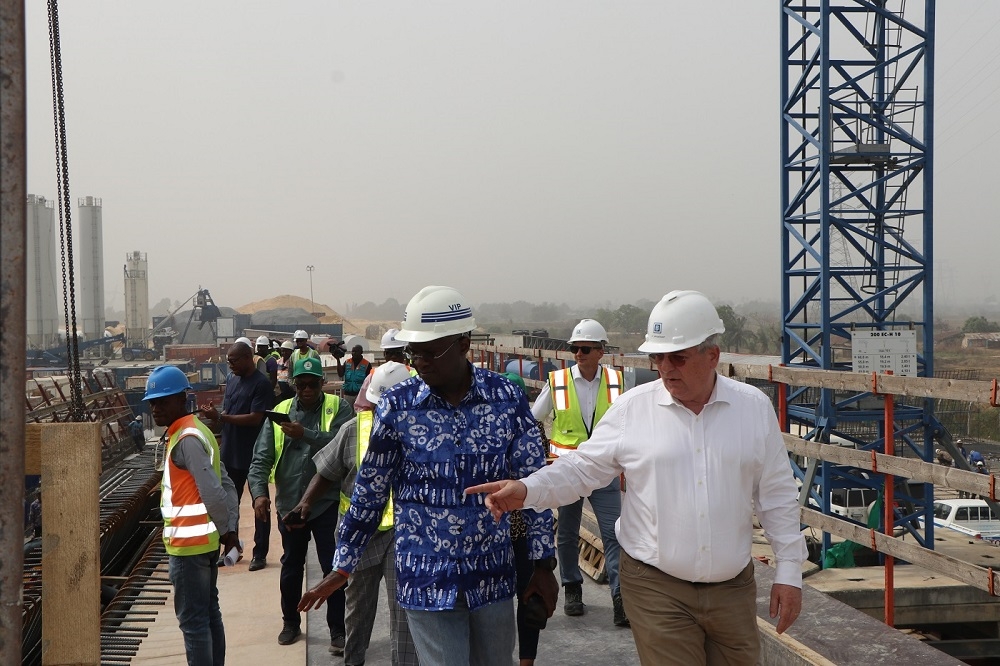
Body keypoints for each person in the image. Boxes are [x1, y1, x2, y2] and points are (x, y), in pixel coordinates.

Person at [468, 290, 808, 666]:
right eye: (657, 357)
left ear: (712, 355)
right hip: (657, 587)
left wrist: (790, 570)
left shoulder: (753, 409)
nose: (665, 368)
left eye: (676, 357)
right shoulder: (633, 409)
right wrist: (528, 489)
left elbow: (776, 494)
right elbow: (584, 467)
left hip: (733, 590)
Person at [297, 285, 557, 666]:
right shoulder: (397, 407)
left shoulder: (506, 399)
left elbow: (534, 484)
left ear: (464, 343)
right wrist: (343, 564)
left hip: (493, 575)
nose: (419, 361)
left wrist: (543, 564)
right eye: (412, 351)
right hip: (425, 578)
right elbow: (369, 492)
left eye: (430, 351)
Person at [292, 361, 419, 666]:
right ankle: (353, 660)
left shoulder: (423, 434)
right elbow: (326, 472)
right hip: (359, 539)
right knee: (357, 609)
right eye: (379, 407)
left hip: (401, 538)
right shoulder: (354, 430)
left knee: (403, 615)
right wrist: (305, 503)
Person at [247, 357, 353, 651]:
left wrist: (304, 433)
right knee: (291, 567)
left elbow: (342, 446)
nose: (307, 389)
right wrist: (259, 494)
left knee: (333, 567)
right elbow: (261, 458)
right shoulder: (280, 412)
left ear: (322, 383)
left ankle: (337, 630)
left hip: (326, 503)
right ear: (294, 384)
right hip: (290, 504)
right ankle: (291, 622)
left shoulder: (338, 408)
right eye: (301, 384)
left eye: (313, 383)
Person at [531, 318, 628, 627]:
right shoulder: (558, 381)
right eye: (575, 348)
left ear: (601, 351)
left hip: (604, 471)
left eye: (585, 349)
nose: (578, 354)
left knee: (614, 533)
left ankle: (620, 598)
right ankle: (573, 588)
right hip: (569, 471)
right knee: (568, 534)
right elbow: (534, 417)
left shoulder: (617, 382)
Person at [144, 365, 240, 666]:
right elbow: (226, 483)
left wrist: (228, 531)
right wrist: (229, 529)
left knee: (194, 624)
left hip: (189, 548)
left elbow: (213, 488)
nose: (156, 408)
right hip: (205, 543)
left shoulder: (185, 438)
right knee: (210, 614)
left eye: (163, 400)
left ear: (182, 399)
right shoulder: (198, 431)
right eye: (153, 402)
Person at [200, 342, 273, 571]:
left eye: (233, 360)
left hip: (252, 455)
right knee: (230, 504)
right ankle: (232, 549)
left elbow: (255, 418)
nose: (230, 365)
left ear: (248, 358)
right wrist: (215, 416)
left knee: (259, 503)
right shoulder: (232, 380)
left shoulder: (261, 384)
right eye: (228, 361)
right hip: (231, 453)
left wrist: (221, 418)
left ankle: (259, 553)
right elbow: (228, 412)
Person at [352, 328, 413, 413]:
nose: (393, 357)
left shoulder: (413, 375)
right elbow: (361, 407)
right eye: (389, 353)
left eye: (397, 353)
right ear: (384, 354)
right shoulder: (373, 376)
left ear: (404, 354)